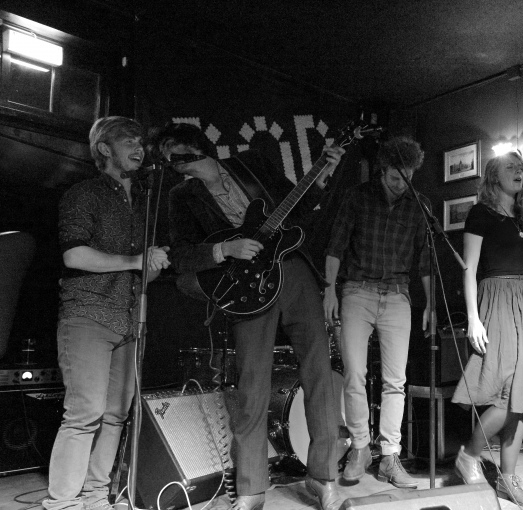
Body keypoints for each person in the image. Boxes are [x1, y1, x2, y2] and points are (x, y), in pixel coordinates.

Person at [158, 122, 345, 510]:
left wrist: (324, 171)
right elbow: (180, 255)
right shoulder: (182, 195)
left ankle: (324, 477)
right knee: (252, 385)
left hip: (293, 269)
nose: (169, 163)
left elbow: (301, 203)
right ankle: (250, 488)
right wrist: (226, 249)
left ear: (193, 150)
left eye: (173, 154)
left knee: (320, 375)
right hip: (246, 287)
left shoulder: (251, 163)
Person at [43, 116, 170, 510]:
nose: (139, 148)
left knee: (116, 414)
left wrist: (153, 263)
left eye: (141, 141)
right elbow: (74, 254)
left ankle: (96, 496)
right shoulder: (85, 194)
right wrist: (136, 260)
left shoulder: (146, 201)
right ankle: (62, 502)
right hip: (88, 314)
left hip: (129, 317)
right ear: (104, 148)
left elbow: (138, 269)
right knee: (85, 412)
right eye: (129, 140)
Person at [451, 151, 523, 508]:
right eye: (510, 168)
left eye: (521, 168)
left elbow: (516, 263)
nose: (519, 172)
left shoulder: (519, 216)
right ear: (492, 176)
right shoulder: (480, 213)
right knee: (507, 391)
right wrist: (473, 317)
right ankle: (469, 454)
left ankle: (508, 478)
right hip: (496, 300)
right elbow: (470, 268)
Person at [323, 136, 431, 489]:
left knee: (395, 381)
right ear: (383, 168)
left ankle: (389, 456)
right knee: (354, 373)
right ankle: (359, 449)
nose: (403, 183)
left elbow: (427, 262)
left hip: (399, 296)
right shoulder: (357, 196)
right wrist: (329, 289)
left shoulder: (419, 206)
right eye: (397, 176)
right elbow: (335, 245)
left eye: (409, 176)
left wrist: (428, 303)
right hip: (357, 291)